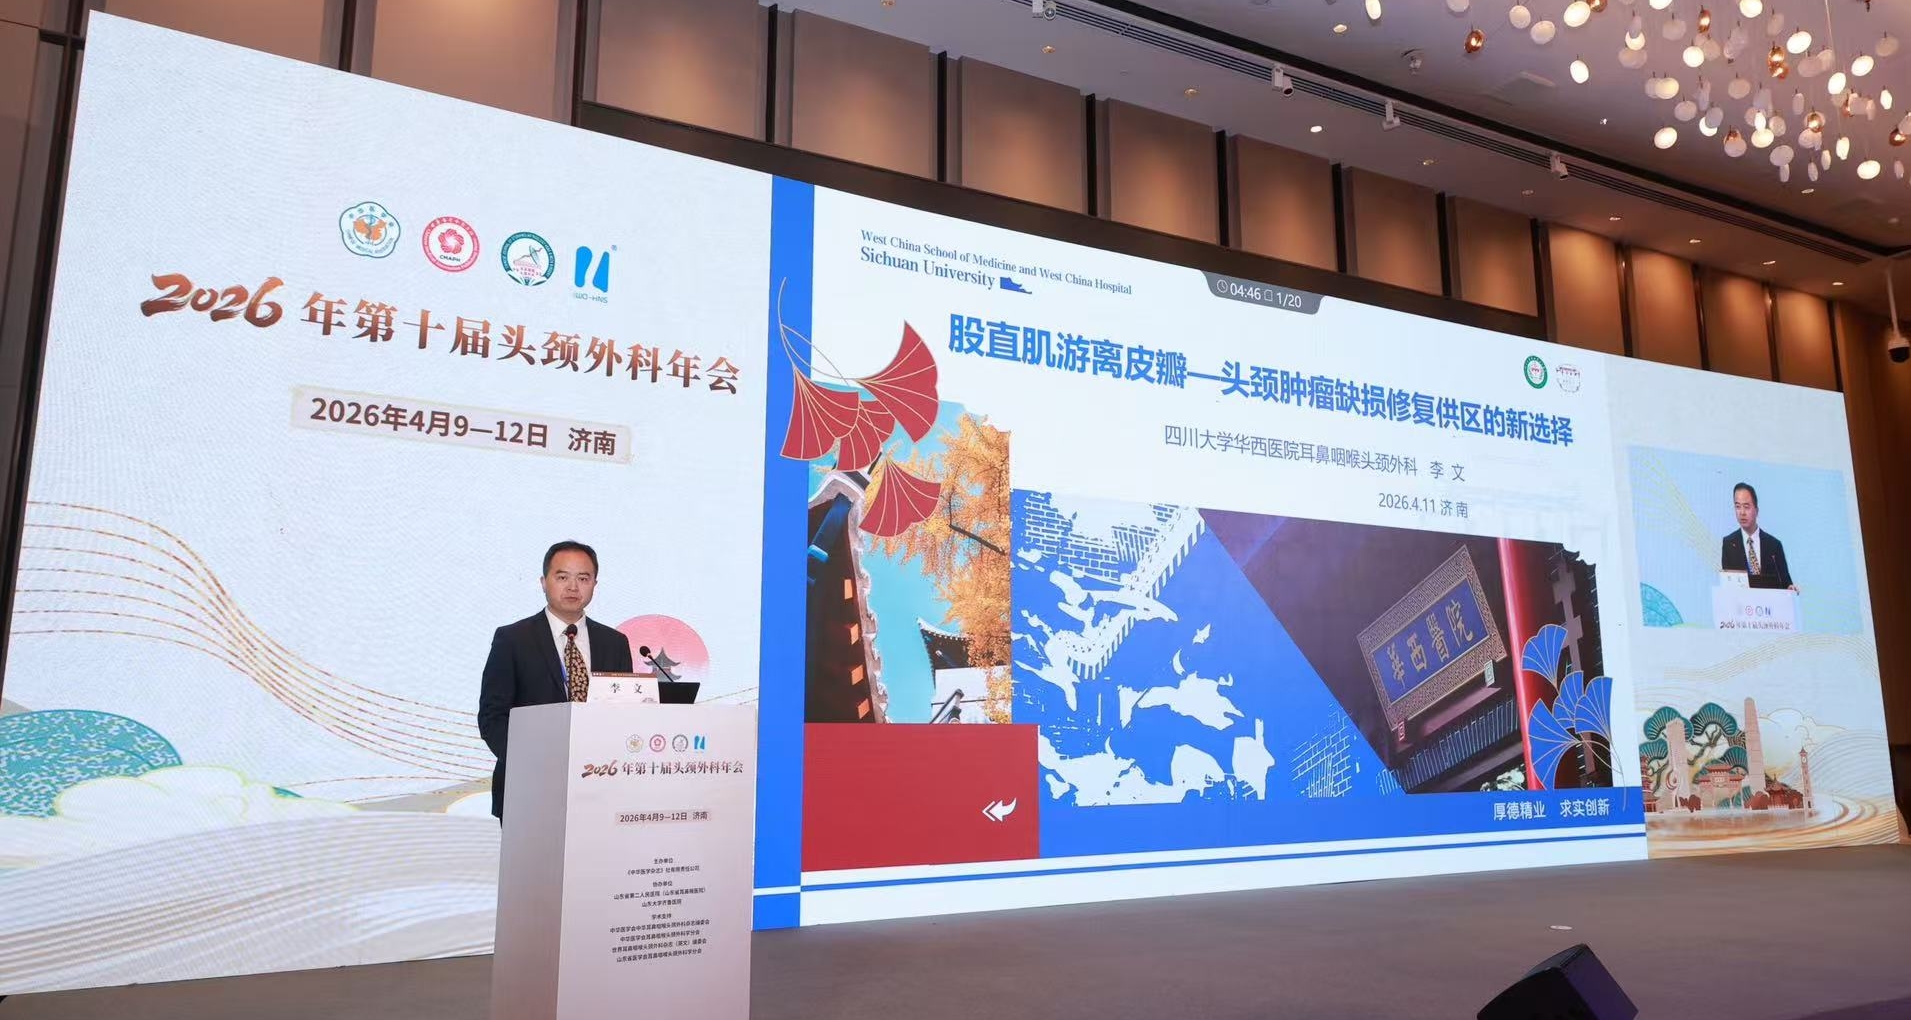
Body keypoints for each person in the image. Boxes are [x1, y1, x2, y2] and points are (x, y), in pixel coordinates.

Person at [477, 540, 634, 820]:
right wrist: (531, 765)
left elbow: (626, 712)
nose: (573, 587)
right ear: (543, 582)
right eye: (562, 577)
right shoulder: (512, 640)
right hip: (529, 790)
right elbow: (492, 717)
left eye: (583, 578)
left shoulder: (615, 642)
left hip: (601, 787)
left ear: (594, 584)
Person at [1720, 482, 1797, 592]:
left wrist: (1790, 588)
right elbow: (1728, 586)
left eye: (1746, 507)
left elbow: (1786, 583)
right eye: (1738, 507)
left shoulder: (1774, 545)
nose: (1742, 512)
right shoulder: (1729, 544)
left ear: (1756, 510)